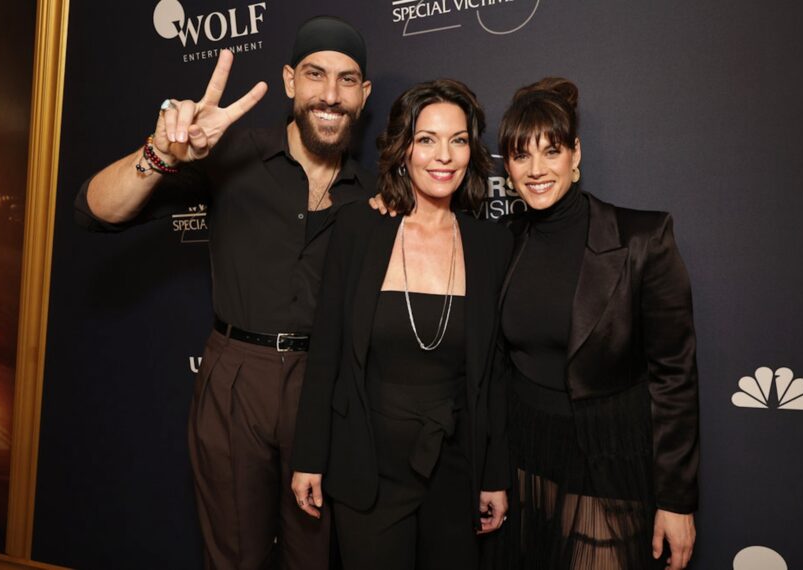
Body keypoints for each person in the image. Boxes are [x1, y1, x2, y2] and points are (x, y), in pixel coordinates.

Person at [74, 16, 373, 569]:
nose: (330, 95)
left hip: (326, 389)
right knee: (234, 556)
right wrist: (161, 151)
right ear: (289, 81)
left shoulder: (375, 197)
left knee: (314, 557)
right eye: (315, 75)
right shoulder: (228, 154)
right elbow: (94, 210)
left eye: (347, 80)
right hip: (237, 375)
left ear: (363, 94)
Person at [289, 79, 512, 570]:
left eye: (458, 140)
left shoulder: (490, 244)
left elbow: (494, 373)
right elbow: (325, 350)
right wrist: (309, 456)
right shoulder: (358, 228)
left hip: (456, 469)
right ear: (402, 148)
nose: (444, 155)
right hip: (368, 469)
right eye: (427, 139)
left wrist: (494, 473)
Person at [491, 78, 699, 570]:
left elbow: (675, 378)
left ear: (575, 153)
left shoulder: (641, 240)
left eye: (551, 151)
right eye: (522, 156)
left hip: (606, 458)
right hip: (527, 455)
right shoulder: (503, 240)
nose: (537, 170)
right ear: (508, 167)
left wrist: (677, 499)